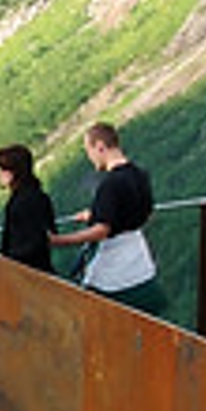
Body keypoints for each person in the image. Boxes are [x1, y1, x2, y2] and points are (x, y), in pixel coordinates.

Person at [50, 121, 164, 312]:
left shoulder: (110, 184)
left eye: (89, 150)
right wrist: (96, 215)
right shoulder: (140, 175)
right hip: (139, 258)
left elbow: (102, 230)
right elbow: (145, 213)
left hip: (114, 268)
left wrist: (59, 240)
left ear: (100, 147)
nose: (90, 157)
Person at [0, 144, 52, 266]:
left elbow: (30, 246)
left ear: (13, 173)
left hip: (28, 271)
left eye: (2, 170)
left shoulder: (21, 202)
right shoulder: (39, 195)